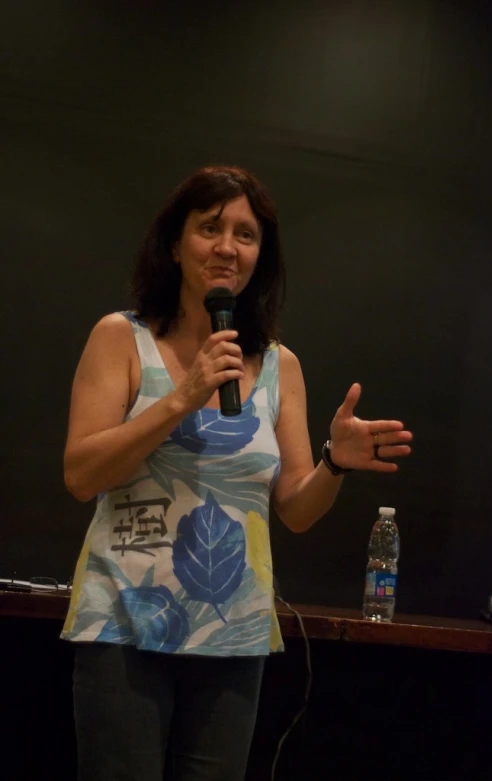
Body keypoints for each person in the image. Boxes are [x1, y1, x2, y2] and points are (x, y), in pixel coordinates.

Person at [61, 165, 413, 781]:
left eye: (246, 235)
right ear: (175, 244)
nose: (227, 247)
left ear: (260, 256)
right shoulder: (122, 338)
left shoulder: (281, 366)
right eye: (210, 228)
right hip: (123, 624)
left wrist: (335, 460)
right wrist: (181, 397)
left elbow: (298, 510)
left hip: (234, 634)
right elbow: (81, 475)